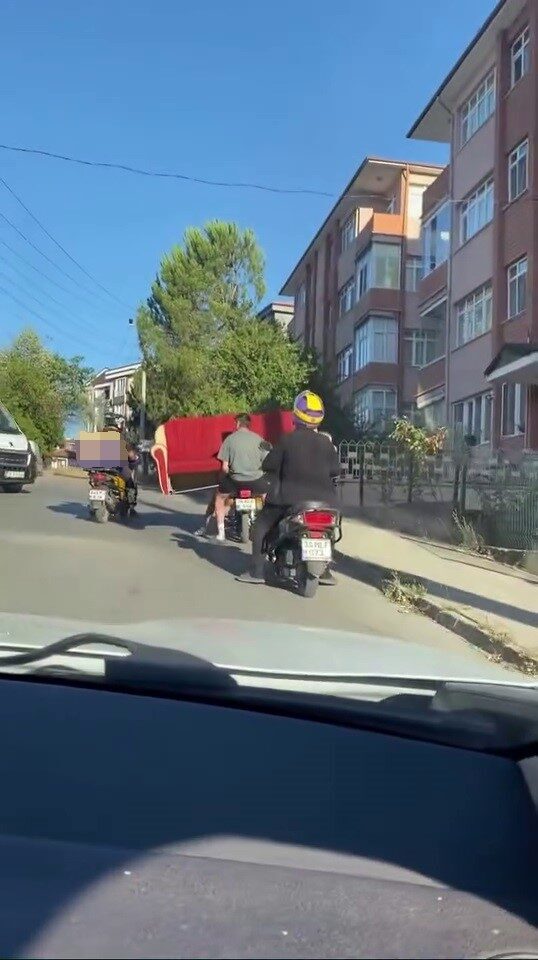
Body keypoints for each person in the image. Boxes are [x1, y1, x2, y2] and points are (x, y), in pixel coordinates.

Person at [236, 391, 341, 584]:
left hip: (287, 500)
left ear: (297, 415)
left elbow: (269, 465)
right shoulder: (326, 443)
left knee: (261, 526)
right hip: (325, 502)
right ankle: (325, 571)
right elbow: (336, 470)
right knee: (328, 531)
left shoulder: (287, 440)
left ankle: (256, 572)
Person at [214, 414, 270, 541]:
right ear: (249, 424)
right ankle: (268, 527)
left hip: (235, 482)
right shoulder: (259, 439)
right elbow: (267, 462)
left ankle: (221, 533)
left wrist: (223, 479)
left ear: (238, 423)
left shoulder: (229, 440)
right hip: (256, 481)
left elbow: (224, 468)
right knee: (267, 498)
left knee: (219, 499)